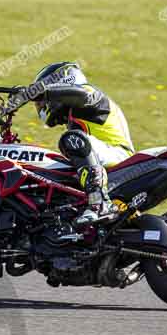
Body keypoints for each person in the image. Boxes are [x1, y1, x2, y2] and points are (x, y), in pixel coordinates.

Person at [29, 62, 134, 225]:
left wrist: (43, 92)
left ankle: (99, 203)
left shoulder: (89, 93)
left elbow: (80, 95)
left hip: (119, 156)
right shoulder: (75, 114)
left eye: (41, 101)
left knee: (71, 139)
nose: (41, 105)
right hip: (107, 157)